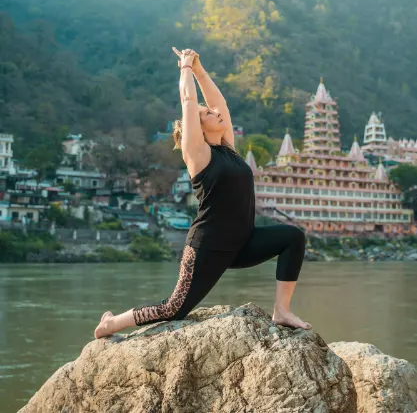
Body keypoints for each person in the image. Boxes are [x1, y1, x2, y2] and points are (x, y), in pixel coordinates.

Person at [94, 48, 311, 338]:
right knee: (174, 308)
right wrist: (184, 68)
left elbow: (218, 102)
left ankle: (282, 310)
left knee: (293, 237)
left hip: (242, 242)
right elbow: (189, 100)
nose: (216, 112)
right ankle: (111, 323)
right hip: (207, 246)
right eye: (207, 114)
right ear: (196, 127)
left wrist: (199, 70)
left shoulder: (229, 149)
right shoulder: (198, 154)